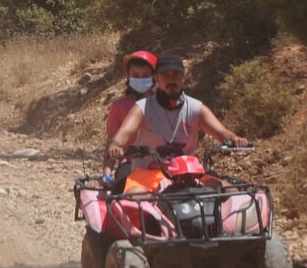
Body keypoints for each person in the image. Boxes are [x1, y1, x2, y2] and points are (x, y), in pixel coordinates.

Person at [106, 55, 248, 193]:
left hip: (187, 175)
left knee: (228, 189)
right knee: (137, 197)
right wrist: (116, 144)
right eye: (165, 75)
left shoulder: (196, 108)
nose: (171, 80)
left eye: (176, 75)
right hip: (148, 173)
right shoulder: (142, 108)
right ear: (156, 78)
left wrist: (235, 139)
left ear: (183, 78)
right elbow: (124, 132)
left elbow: (221, 132)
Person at [101, 51, 157, 179]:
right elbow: (111, 143)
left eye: (145, 75)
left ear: (154, 77)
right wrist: (107, 174)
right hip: (129, 165)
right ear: (128, 77)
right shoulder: (119, 106)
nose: (141, 79)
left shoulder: (162, 105)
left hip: (160, 164)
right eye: (136, 75)